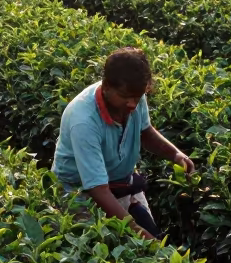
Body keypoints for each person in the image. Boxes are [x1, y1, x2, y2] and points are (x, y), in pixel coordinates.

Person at [52, 47, 195, 239]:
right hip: (80, 191)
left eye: (138, 97)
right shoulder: (84, 121)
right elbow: (98, 189)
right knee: (108, 247)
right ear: (106, 86)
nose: (132, 104)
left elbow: (146, 132)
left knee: (151, 237)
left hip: (120, 181)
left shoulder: (134, 94)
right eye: (126, 97)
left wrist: (176, 155)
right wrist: (138, 233)